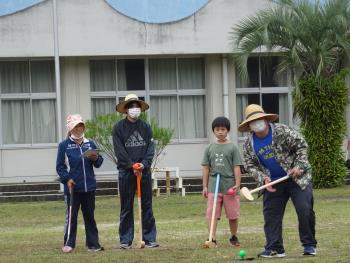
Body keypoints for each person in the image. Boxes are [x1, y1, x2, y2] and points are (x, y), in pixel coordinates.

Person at [239, 104, 317, 258]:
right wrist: (263, 178)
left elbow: (302, 146)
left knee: (304, 209)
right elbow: (250, 165)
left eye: (260, 119)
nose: (258, 122)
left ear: (266, 119)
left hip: (297, 178)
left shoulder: (282, 131)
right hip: (273, 184)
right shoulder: (249, 144)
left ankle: (309, 245)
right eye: (253, 121)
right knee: (271, 215)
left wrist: (299, 166)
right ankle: (275, 248)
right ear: (249, 126)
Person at [112, 94, 158, 249]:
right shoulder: (118, 128)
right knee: (126, 206)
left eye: (136, 106)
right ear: (126, 109)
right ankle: (125, 240)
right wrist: (132, 166)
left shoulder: (146, 128)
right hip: (126, 173)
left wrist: (143, 165)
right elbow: (120, 151)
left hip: (143, 172)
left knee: (147, 205)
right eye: (131, 106)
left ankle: (149, 238)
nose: (134, 109)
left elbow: (150, 149)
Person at [56, 114, 104, 253]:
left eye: (81, 125)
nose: (79, 128)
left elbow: (99, 163)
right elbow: (60, 167)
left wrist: (95, 158)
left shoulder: (90, 143)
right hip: (73, 189)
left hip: (89, 187)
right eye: (76, 126)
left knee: (90, 216)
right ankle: (69, 244)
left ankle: (93, 244)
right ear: (71, 128)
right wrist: (67, 179)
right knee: (72, 217)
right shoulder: (64, 146)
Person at [202, 116, 242, 247]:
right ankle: (211, 237)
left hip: (229, 184)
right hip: (214, 184)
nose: (220, 132)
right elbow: (206, 167)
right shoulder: (209, 148)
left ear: (228, 130)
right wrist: (205, 186)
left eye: (223, 129)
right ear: (213, 131)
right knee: (211, 213)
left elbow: (237, 167)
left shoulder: (233, 148)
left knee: (233, 214)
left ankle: (233, 236)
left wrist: (237, 183)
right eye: (217, 129)